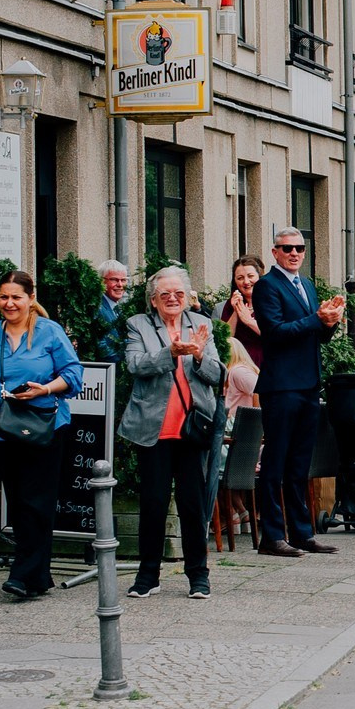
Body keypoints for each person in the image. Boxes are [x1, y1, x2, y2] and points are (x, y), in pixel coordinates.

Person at [0, 270, 83, 600]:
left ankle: (21, 573)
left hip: (46, 427)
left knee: (38, 502)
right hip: (2, 431)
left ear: (31, 298)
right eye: (4, 297)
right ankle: (38, 576)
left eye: (16, 297)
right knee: (17, 503)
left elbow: (73, 375)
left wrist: (44, 388)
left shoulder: (49, 332)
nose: (10, 303)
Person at [119, 265, 223, 600]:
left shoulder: (200, 324)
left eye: (179, 294)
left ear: (188, 297)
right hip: (153, 428)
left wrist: (195, 357)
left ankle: (199, 576)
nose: (173, 299)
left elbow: (217, 374)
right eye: (166, 295)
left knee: (193, 505)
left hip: (191, 428)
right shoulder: (138, 325)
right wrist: (170, 353)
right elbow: (135, 365)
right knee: (153, 503)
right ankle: (147, 575)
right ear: (153, 300)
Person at [251, 227, 345, 558]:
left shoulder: (306, 285)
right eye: (287, 248)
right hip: (281, 385)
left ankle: (302, 533)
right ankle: (272, 536)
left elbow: (315, 334)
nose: (294, 254)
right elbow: (274, 333)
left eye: (299, 248)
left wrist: (330, 323)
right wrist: (316, 319)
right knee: (275, 463)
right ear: (275, 252)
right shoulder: (266, 287)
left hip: (308, 382)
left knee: (299, 464)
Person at [219, 255, 266, 370]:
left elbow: (276, 335)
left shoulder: (271, 301)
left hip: (267, 362)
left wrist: (249, 321)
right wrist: (236, 311)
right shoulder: (231, 304)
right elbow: (225, 339)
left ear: (259, 277)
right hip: (240, 366)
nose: (246, 282)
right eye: (240, 278)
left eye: (250, 276)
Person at [94, 259, 129, 362]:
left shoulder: (120, 309)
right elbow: (102, 348)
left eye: (123, 280)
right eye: (114, 280)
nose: (120, 285)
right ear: (102, 281)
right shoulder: (96, 308)